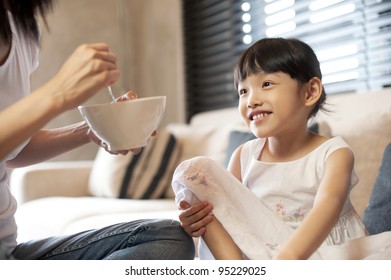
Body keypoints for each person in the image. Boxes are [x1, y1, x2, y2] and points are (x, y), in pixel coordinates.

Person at [0, 0, 194, 259]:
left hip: (8, 250)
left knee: (166, 238)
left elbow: (12, 151)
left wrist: (92, 129)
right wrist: (57, 93)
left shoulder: (24, 29)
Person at [173, 37, 391, 260]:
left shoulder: (334, 154)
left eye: (266, 84)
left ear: (310, 92)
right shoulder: (243, 156)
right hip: (262, 252)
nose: (251, 100)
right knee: (196, 172)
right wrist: (196, 220)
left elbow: (328, 207)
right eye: (243, 91)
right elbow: (230, 215)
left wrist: (286, 262)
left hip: (320, 253)